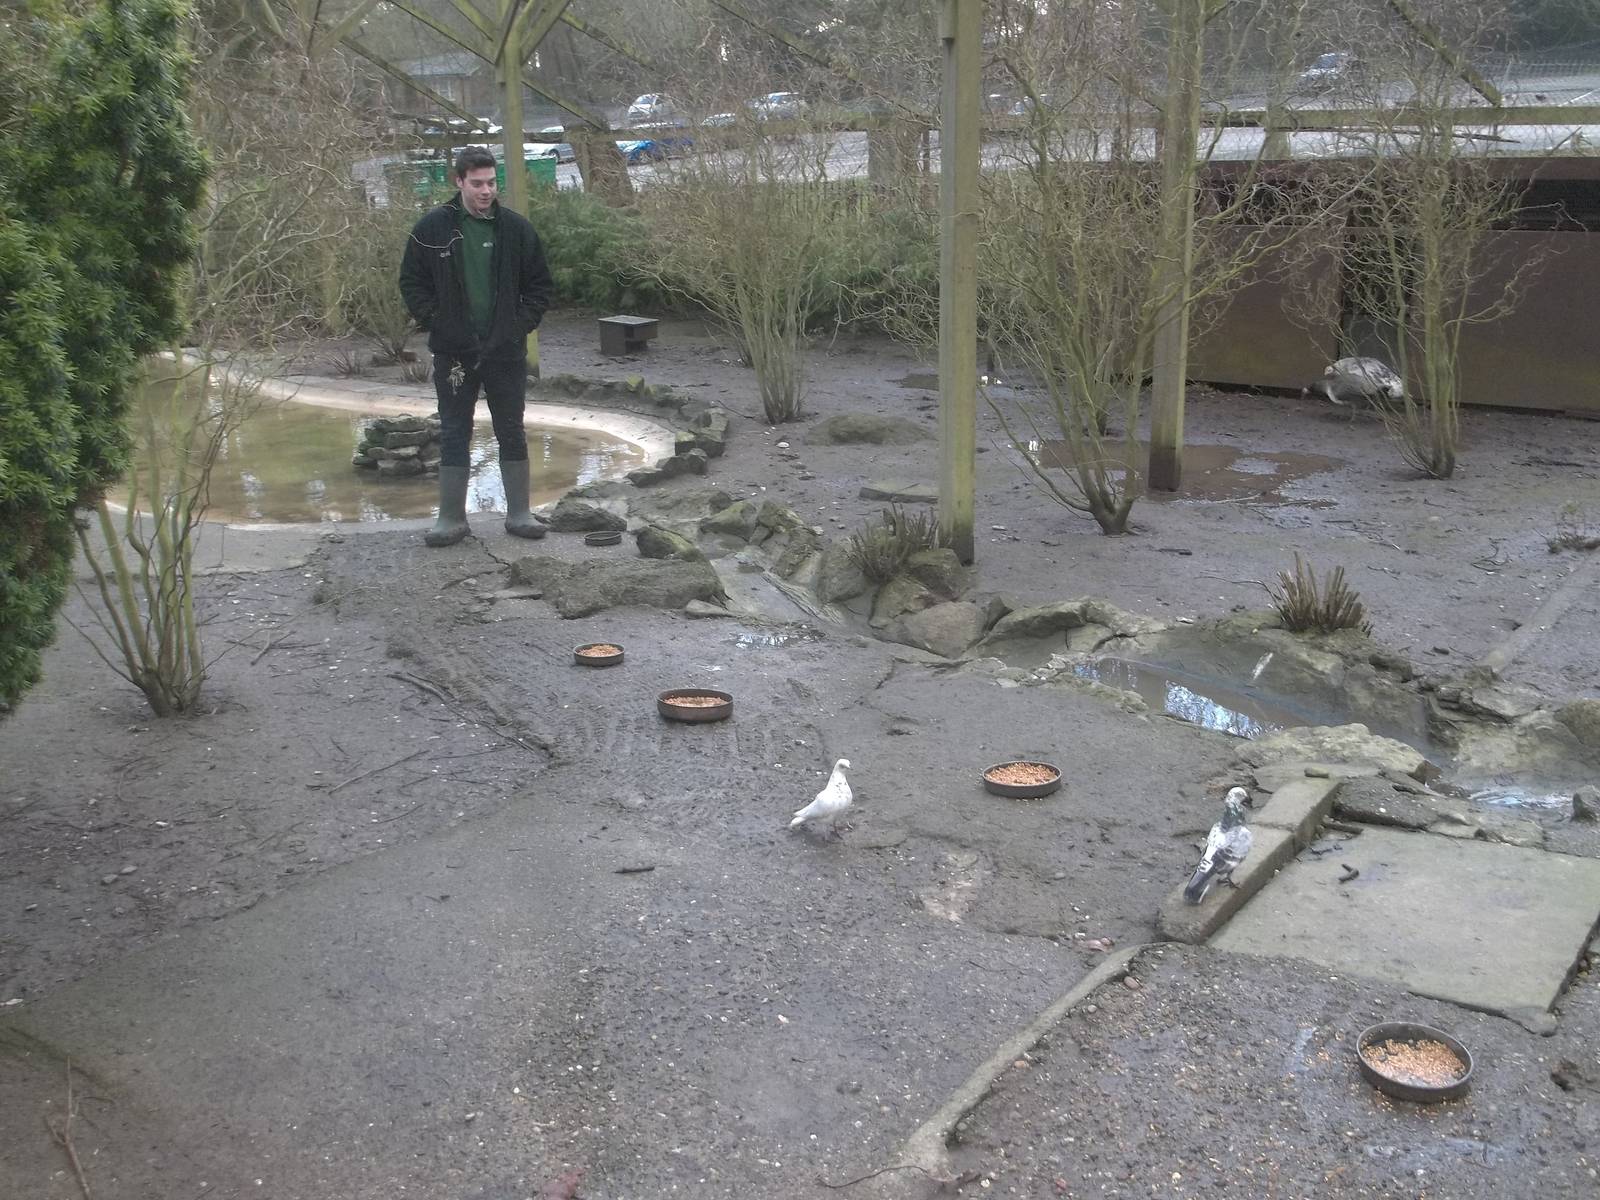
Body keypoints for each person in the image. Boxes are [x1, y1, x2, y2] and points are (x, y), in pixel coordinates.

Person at [399, 146, 554, 546]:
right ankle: (451, 518)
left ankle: (519, 512)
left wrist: (519, 325)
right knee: (454, 430)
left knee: (511, 428)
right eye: (478, 183)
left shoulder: (516, 230)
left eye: (491, 183)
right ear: (459, 182)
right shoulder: (433, 228)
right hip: (454, 351)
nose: (486, 191)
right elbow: (412, 282)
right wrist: (437, 321)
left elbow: (539, 287)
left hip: (505, 348)